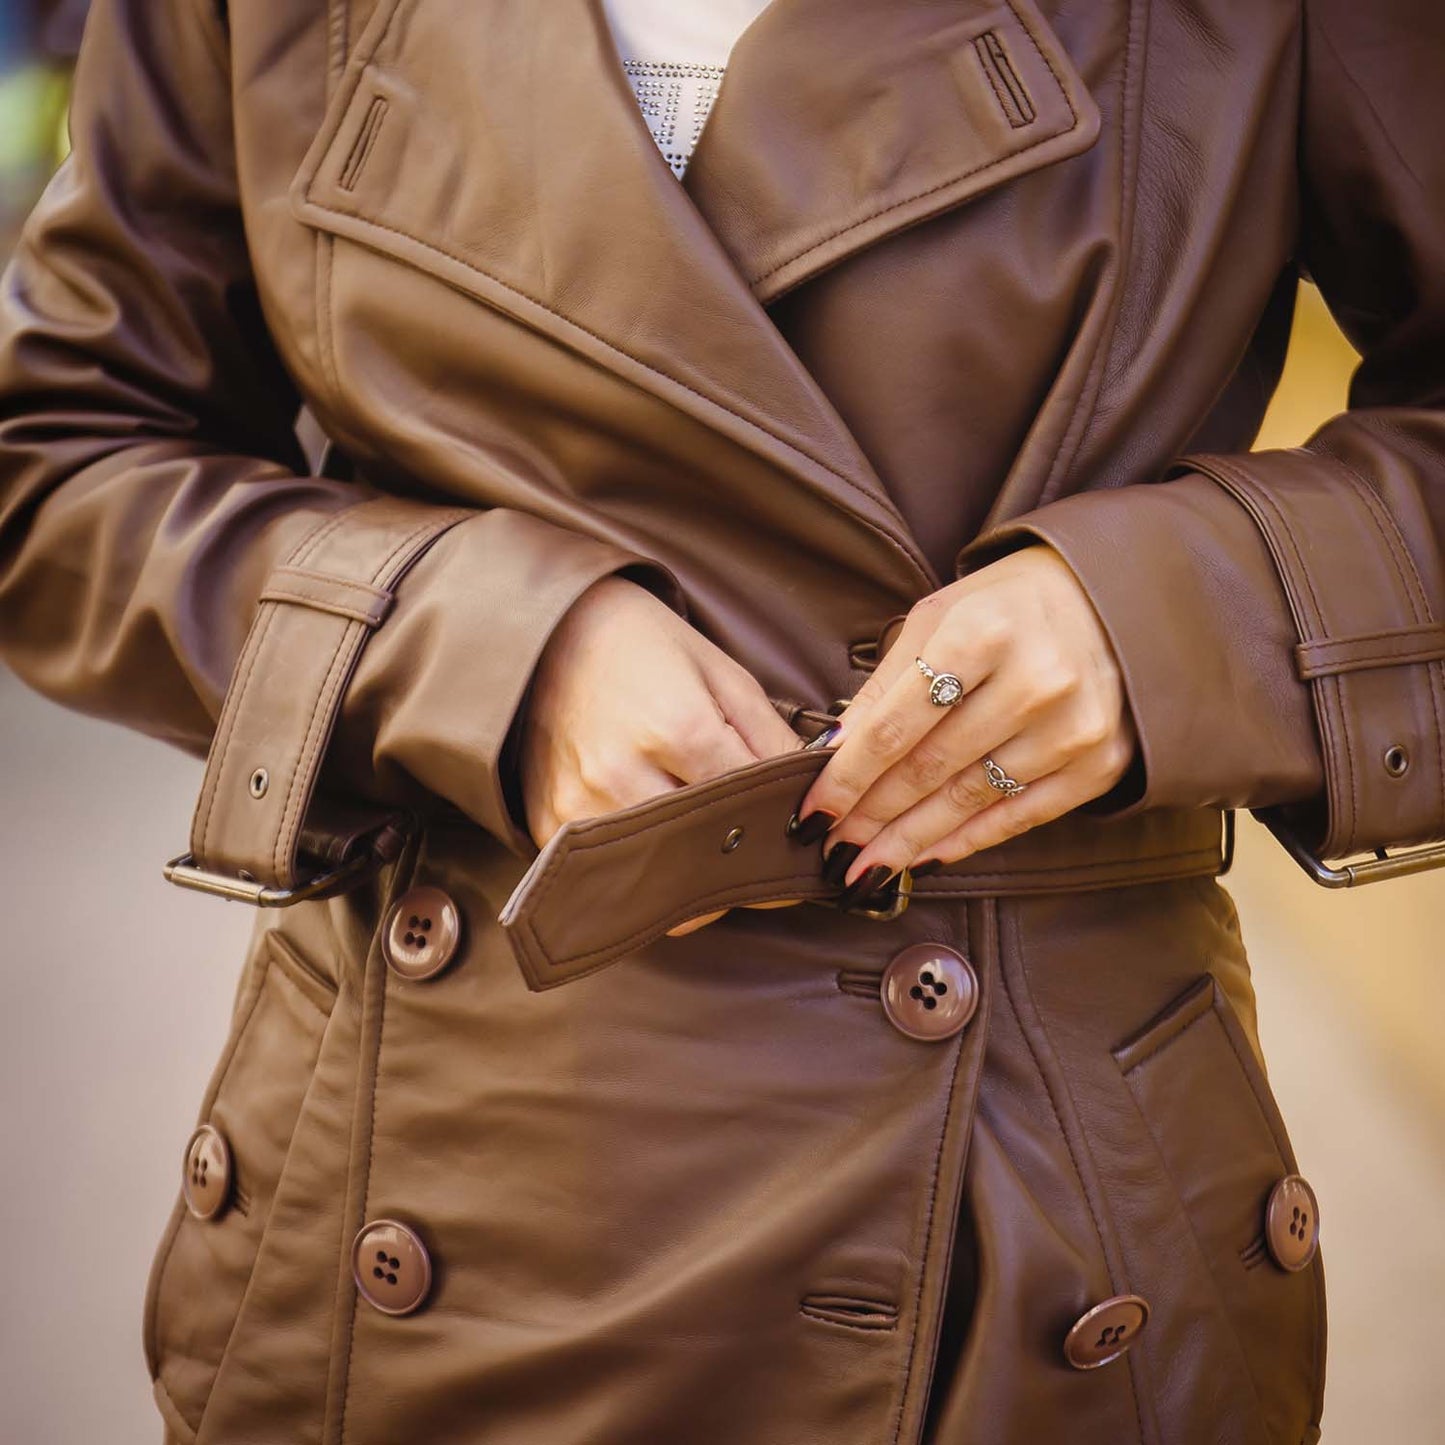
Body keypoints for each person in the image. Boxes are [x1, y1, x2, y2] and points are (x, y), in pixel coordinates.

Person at [0, 1, 1441, 1441]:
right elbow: (60, 459)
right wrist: (480, 647)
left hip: (1025, 1232)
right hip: (426, 1164)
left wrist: (1172, 615)